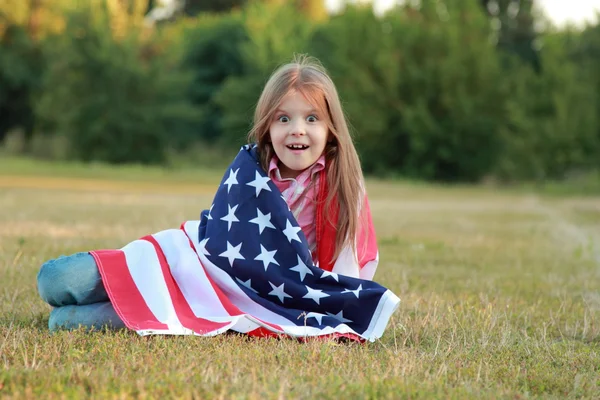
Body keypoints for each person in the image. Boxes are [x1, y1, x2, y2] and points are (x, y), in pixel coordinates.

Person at [37, 55, 399, 341]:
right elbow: (221, 234)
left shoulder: (341, 185)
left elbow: (346, 273)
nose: (297, 130)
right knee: (54, 280)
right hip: (195, 260)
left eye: (312, 118)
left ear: (331, 129)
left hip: (242, 296)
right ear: (268, 127)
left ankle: (119, 308)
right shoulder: (251, 168)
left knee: (65, 322)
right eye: (284, 118)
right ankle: (112, 288)